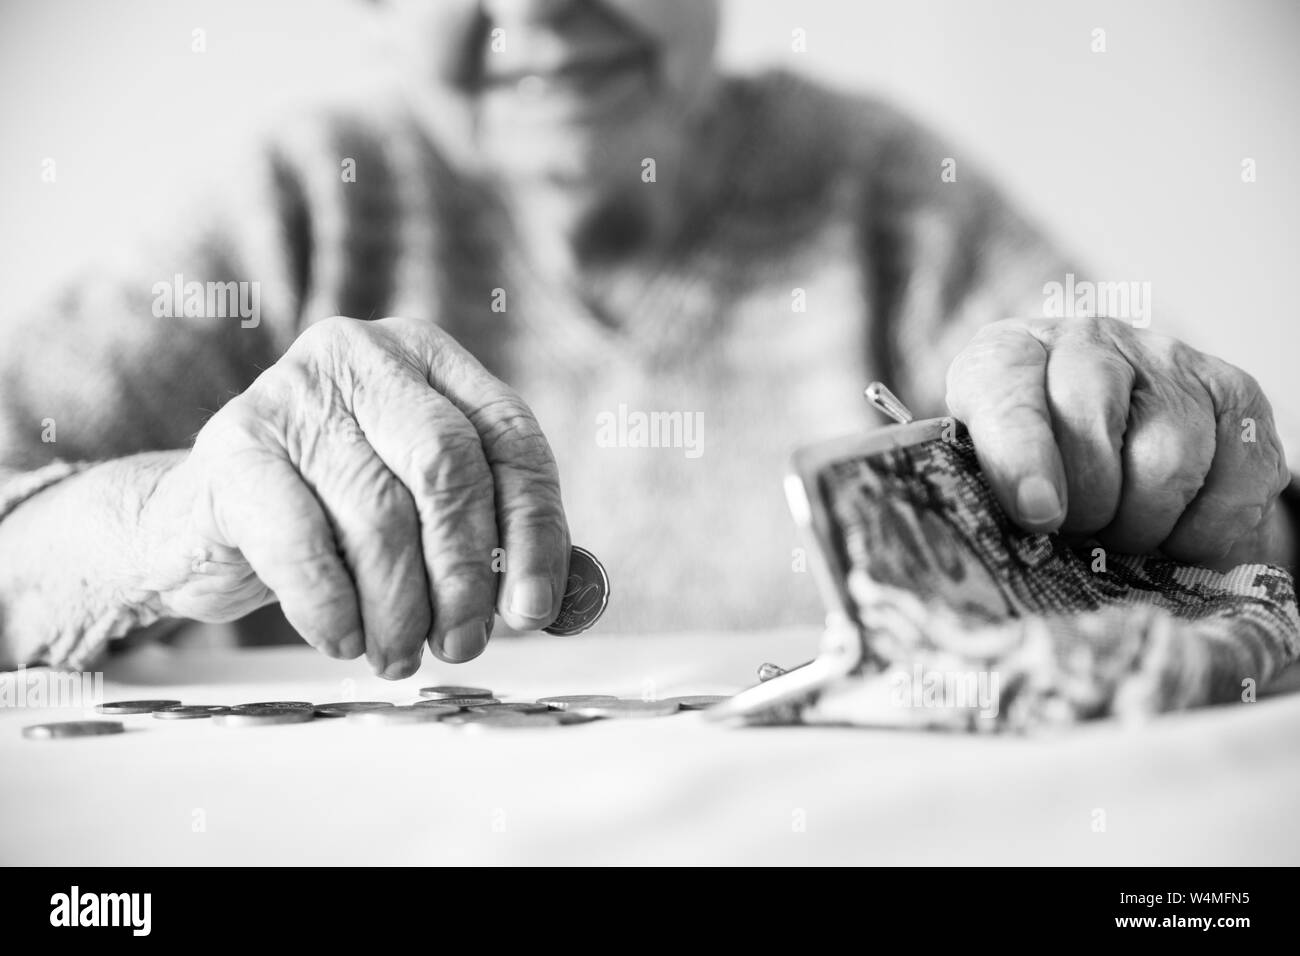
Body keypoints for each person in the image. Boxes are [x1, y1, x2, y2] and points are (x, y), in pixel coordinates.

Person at [0, 0, 1291, 676]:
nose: (540, 2)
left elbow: (1200, 476)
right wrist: (153, 535)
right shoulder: (293, 209)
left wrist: (1198, 476)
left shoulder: (886, 195)